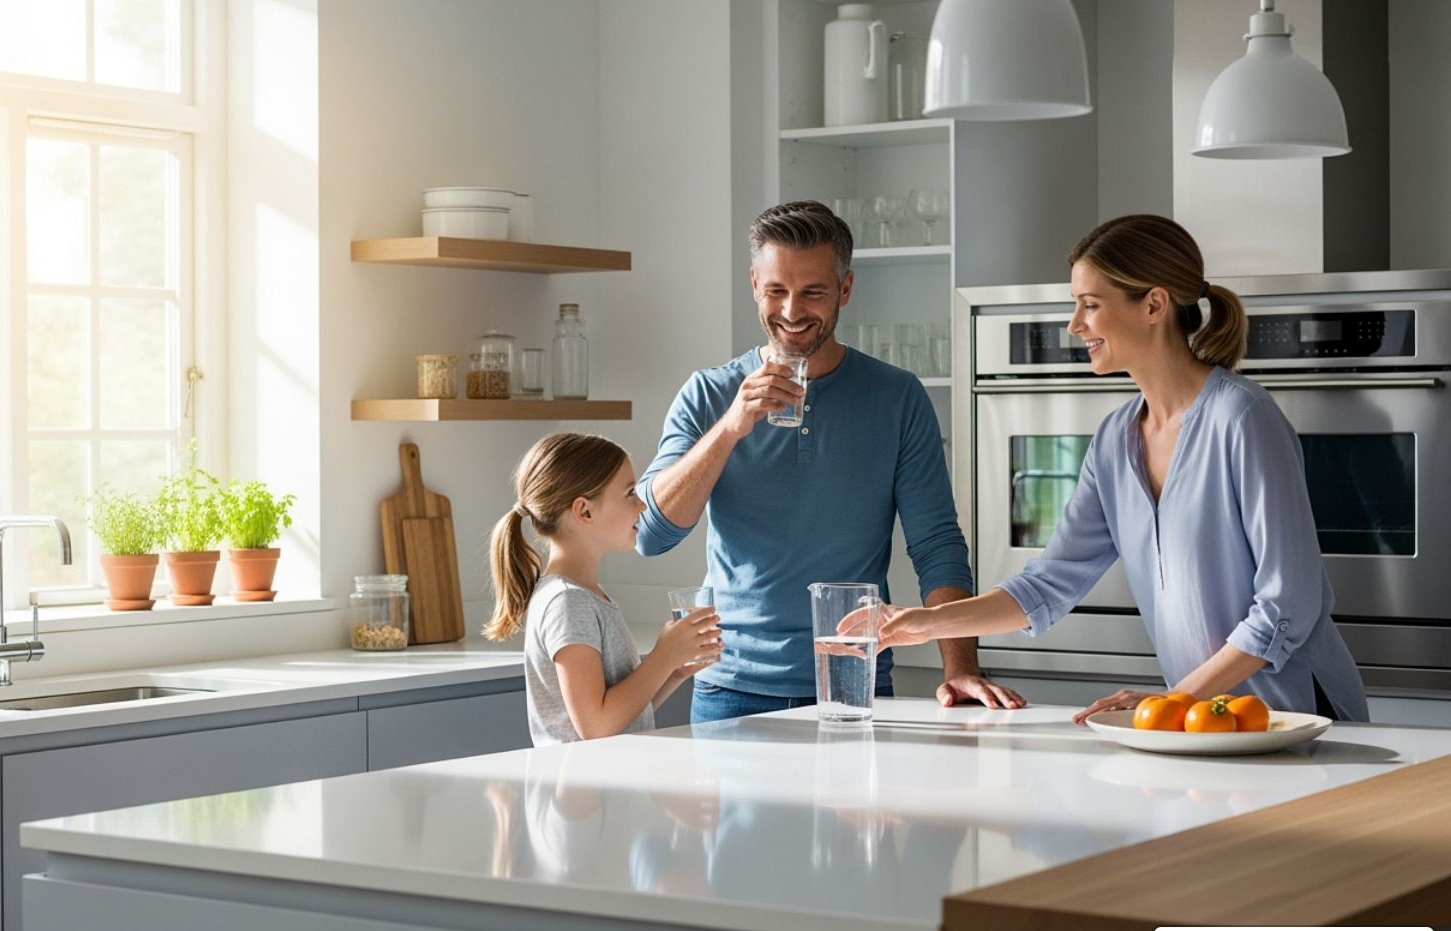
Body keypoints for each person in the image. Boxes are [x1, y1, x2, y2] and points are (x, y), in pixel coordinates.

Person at [870, 214, 1370, 724]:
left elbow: (1288, 606)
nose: (1074, 324)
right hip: (1200, 722)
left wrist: (1172, 700)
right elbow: (1048, 584)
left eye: (1090, 305)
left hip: (1297, 718)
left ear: (1154, 304)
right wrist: (928, 622)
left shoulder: (1242, 418)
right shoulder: (1115, 440)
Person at [636, 200, 1023, 723]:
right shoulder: (709, 394)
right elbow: (651, 535)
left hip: (854, 682)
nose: (792, 311)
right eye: (776, 290)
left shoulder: (898, 397)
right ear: (754, 284)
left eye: (813, 292)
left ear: (844, 289)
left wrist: (958, 668)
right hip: (731, 689)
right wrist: (731, 427)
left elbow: (936, 544)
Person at [485, 432, 723, 745]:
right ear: (584, 512)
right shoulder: (568, 603)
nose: (642, 505)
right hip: (583, 790)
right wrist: (662, 658)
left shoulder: (585, 595)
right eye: (629, 494)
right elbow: (596, 726)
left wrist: (674, 669)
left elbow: (623, 714)